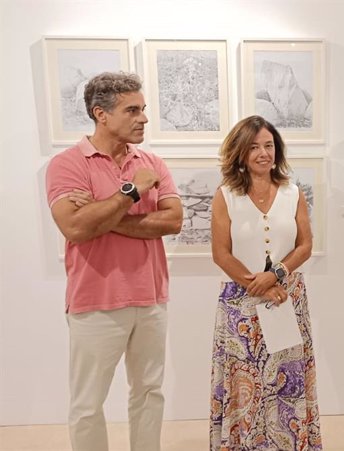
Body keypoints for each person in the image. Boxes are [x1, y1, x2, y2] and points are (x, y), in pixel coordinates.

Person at [45, 72, 183, 451]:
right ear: (100, 113)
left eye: (144, 109)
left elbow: (172, 221)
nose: (143, 119)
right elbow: (75, 227)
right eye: (132, 110)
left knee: (149, 393)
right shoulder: (68, 164)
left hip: (152, 299)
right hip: (95, 302)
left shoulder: (151, 161)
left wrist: (102, 215)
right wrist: (131, 191)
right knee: (88, 403)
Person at [209, 115, 322, 450]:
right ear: (241, 153)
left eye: (269, 145)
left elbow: (305, 245)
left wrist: (276, 276)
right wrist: (254, 283)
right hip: (239, 306)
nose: (263, 153)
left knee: (287, 383)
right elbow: (220, 253)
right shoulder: (226, 195)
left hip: (287, 299)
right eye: (254, 146)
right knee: (245, 381)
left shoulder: (292, 192)